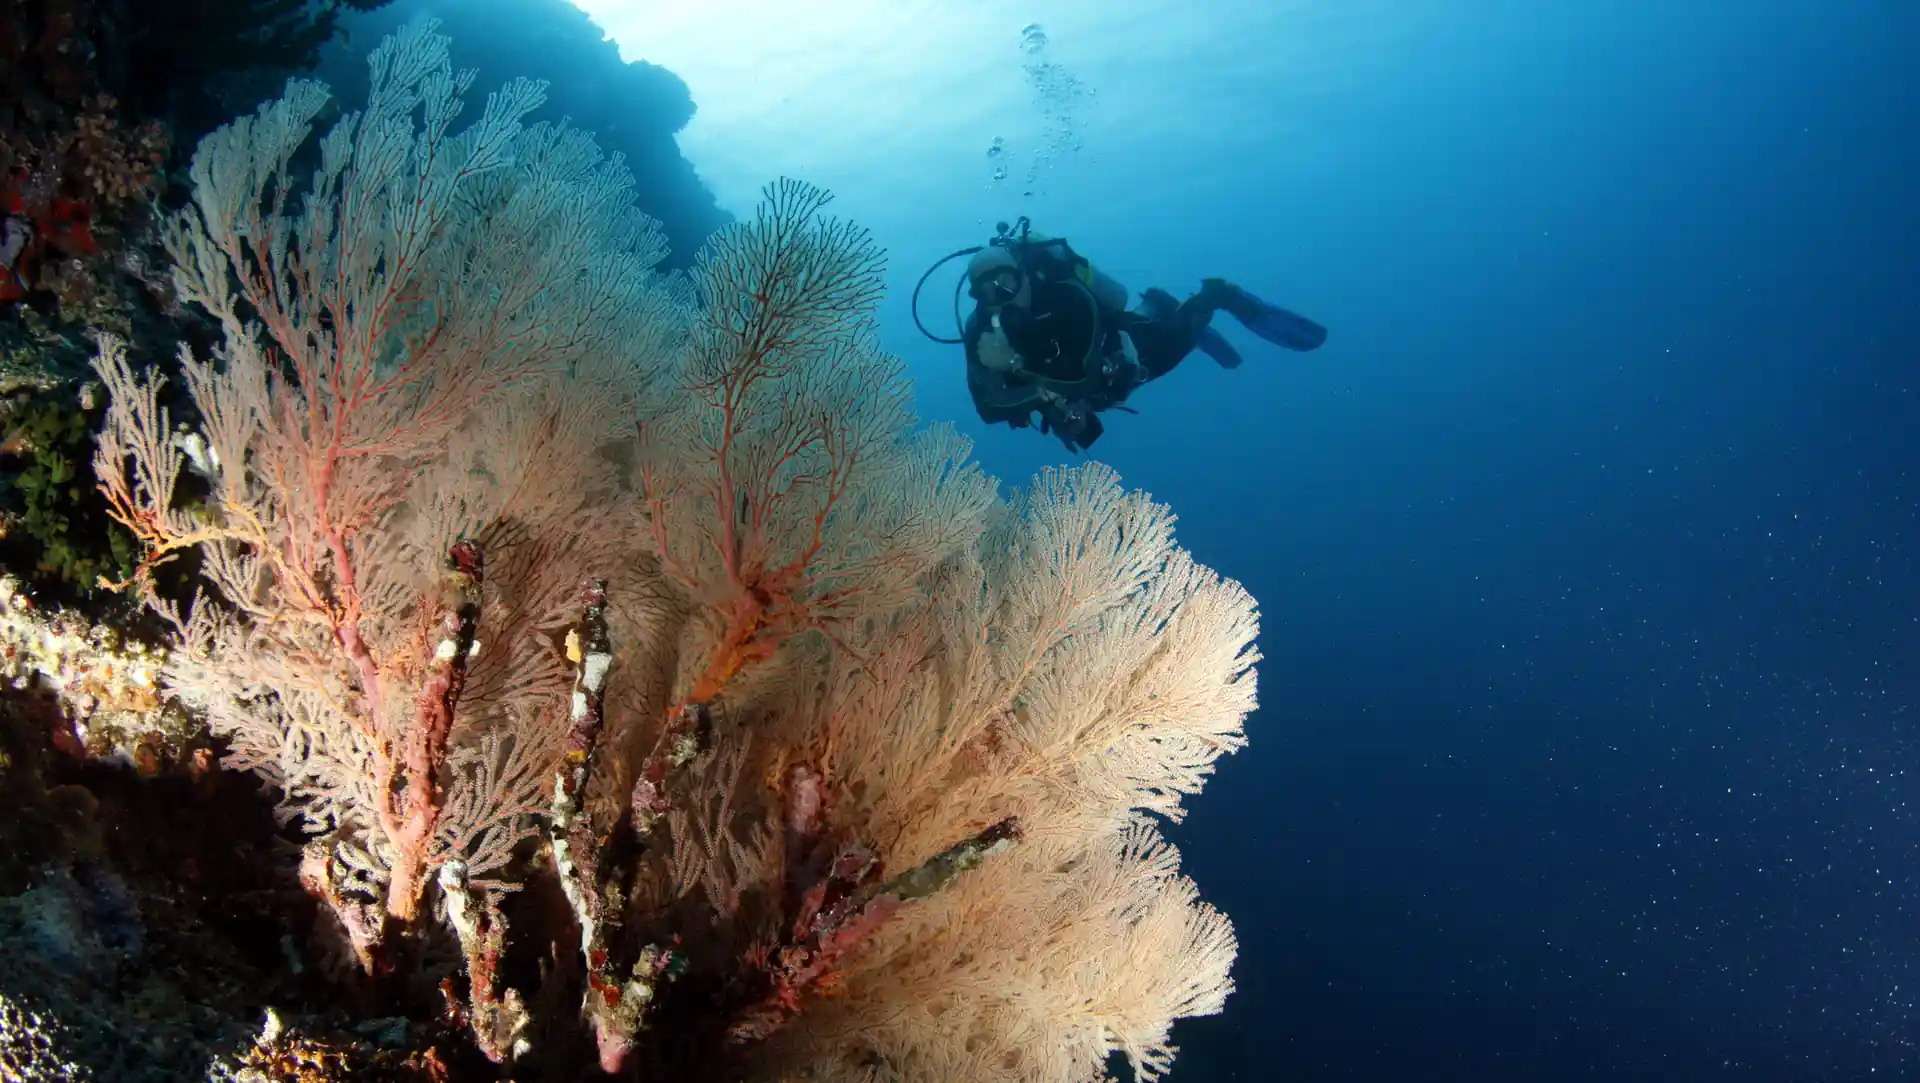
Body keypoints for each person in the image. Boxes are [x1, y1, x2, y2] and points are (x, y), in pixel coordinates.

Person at [951, 219, 1328, 453]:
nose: (998, 297)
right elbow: (987, 409)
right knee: (1153, 322)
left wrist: (1015, 365)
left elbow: (1085, 378)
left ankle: (1219, 295)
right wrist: (1034, 392)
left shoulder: (1067, 297)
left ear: (1023, 276)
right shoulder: (979, 331)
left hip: (1133, 355)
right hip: (1087, 394)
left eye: (1005, 282)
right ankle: (1157, 304)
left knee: (1178, 338)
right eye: (984, 291)